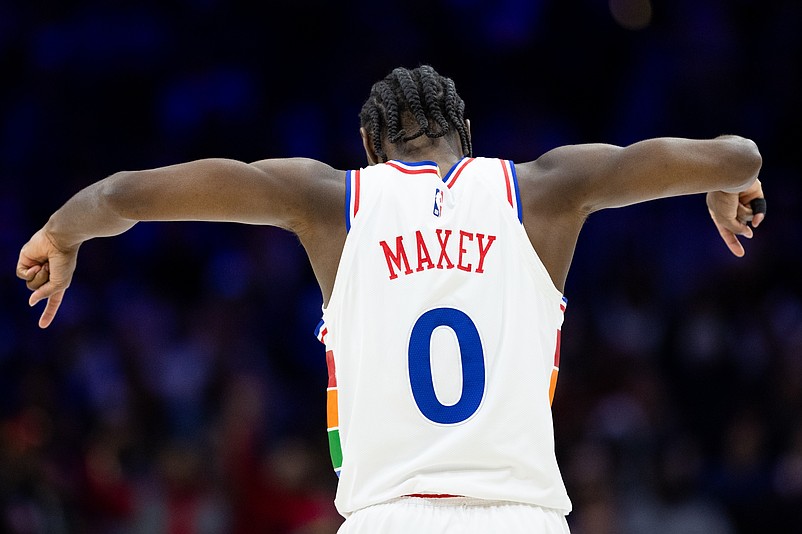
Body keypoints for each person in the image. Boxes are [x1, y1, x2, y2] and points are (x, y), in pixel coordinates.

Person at [16, 64, 765, 533]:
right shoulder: (540, 190)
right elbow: (737, 154)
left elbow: (126, 195)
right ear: (466, 139)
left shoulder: (331, 201)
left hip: (385, 519)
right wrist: (726, 180)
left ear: (370, 149)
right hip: (524, 520)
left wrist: (62, 230)